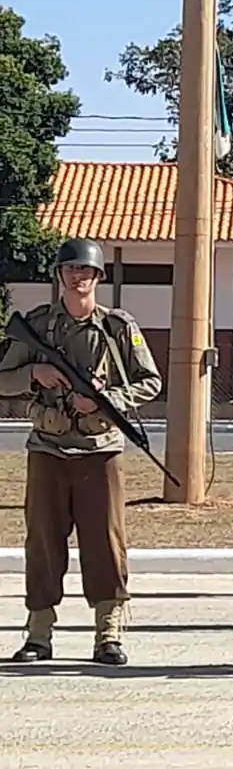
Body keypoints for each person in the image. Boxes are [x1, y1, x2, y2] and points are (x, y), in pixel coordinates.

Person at [0, 239, 162, 665]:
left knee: (105, 543)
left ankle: (108, 633)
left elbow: (150, 382)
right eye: (70, 270)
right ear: (59, 276)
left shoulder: (117, 328)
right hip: (48, 450)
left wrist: (108, 402)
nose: (78, 277)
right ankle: (38, 634)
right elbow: (2, 379)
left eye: (85, 271)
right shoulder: (35, 327)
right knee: (43, 544)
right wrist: (35, 372)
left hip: (100, 449)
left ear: (97, 278)